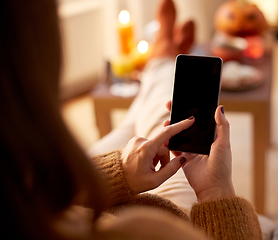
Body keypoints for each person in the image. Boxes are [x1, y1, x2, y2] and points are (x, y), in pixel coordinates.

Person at [0, 0, 263, 239]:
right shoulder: (146, 231)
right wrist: (215, 191)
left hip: (94, 195)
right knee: (162, 108)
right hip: (169, 212)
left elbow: (44, 194)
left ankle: (163, 54)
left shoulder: (19, 185)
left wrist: (120, 172)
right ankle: (162, 57)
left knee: (144, 121)